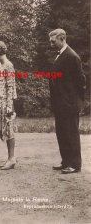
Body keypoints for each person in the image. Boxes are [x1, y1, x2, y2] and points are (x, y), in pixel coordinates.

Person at [49, 29, 86, 174]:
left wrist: (77, 101)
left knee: (71, 133)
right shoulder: (60, 55)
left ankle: (74, 164)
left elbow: (81, 81)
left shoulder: (72, 56)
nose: (51, 44)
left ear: (62, 38)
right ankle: (66, 161)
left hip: (69, 103)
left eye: (53, 41)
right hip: (60, 103)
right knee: (61, 133)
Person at [0, 41, 17, 170]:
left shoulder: (8, 65)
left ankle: (12, 158)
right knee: (5, 130)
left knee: (9, 129)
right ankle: (10, 158)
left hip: (6, 103)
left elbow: (10, 86)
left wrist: (9, 105)